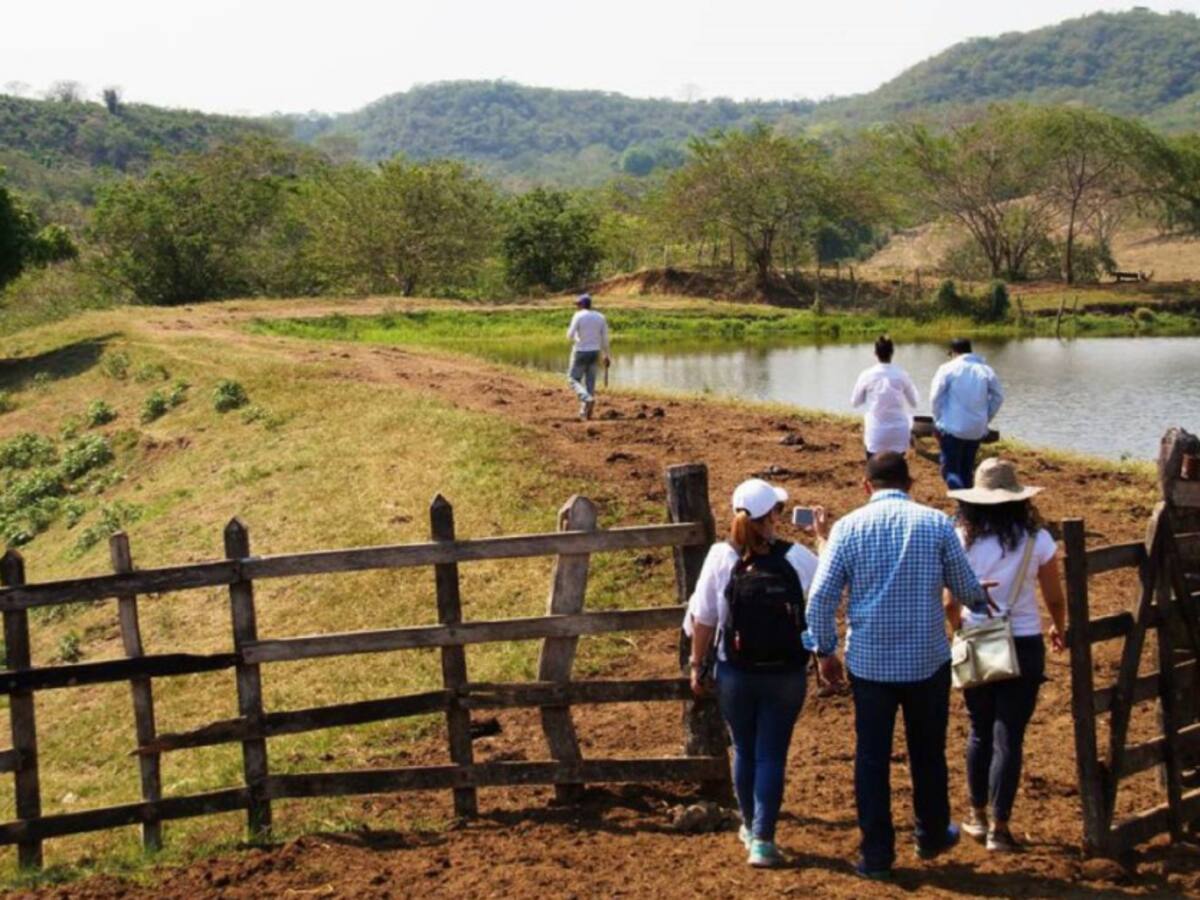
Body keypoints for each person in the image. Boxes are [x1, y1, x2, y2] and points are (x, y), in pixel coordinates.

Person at [803, 452, 991, 879]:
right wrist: (980, 596)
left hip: (870, 664)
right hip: (927, 660)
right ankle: (930, 833)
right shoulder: (937, 523)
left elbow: (821, 599)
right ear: (910, 484)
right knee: (928, 752)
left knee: (871, 759)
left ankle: (876, 853)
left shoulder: (847, 528)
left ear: (866, 485)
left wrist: (825, 651)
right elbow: (964, 587)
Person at [684, 478, 828, 868]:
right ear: (775, 516)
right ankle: (763, 838)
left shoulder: (720, 557)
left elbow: (704, 619)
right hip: (786, 674)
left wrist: (697, 667)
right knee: (771, 755)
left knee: (744, 749)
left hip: (736, 670)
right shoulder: (797, 557)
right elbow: (825, 599)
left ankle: (750, 827)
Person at [944, 458, 1067, 853]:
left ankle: (976, 816)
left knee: (979, 729)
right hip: (1024, 640)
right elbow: (1054, 596)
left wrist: (957, 629)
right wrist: (1059, 627)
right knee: (1008, 736)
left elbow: (949, 600)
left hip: (976, 636)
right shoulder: (1039, 539)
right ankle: (1001, 826)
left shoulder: (960, 536)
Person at [930, 338, 1004, 491]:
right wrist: (986, 417)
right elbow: (998, 397)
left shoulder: (947, 368)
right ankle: (971, 505)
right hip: (976, 430)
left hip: (952, 429)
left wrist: (938, 420)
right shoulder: (985, 370)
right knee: (966, 469)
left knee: (950, 471)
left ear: (952, 352)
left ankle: (963, 505)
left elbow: (935, 398)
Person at [850, 335, 920, 459]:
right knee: (896, 470)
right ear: (892, 352)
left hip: (875, 435)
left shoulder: (866, 375)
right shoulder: (902, 374)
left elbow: (855, 402)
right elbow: (914, 402)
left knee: (874, 471)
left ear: (875, 353)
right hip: (899, 435)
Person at [566, 293, 610, 420]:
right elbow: (605, 339)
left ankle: (587, 399)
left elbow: (569, 335)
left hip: (580, 351)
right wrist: (606, 355)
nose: (577, 307)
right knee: (590, 383)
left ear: (583, 304)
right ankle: (585, 413)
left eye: (578, 304)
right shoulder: (600, 317)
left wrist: (576, 337)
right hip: (595, 352)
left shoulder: (578, 315)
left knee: (572, 379)